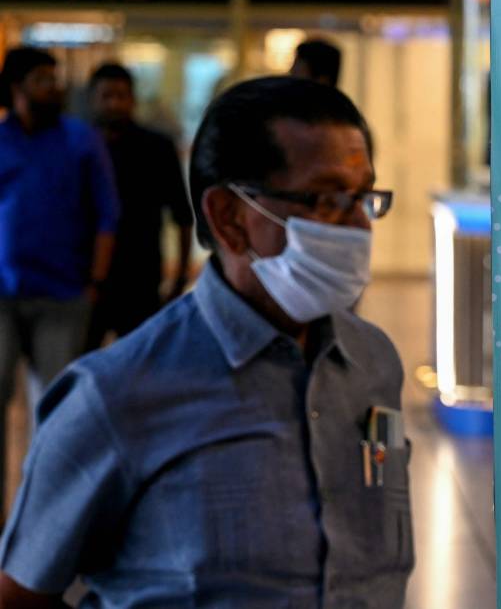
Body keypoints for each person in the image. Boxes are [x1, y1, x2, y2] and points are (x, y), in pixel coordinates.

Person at [0, 77, 412, 607]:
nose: (359, 225)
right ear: (230, 218)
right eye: (327, 199)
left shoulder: (373, 364)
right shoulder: (115, 396)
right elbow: (20, 595)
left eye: (363, 197)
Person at [0, 47, 118, 504]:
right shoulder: (3, 138)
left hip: (64, 294)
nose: (55, 88)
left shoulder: (81, 139)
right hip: (4, 293)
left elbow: (108, 214)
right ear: (17, 87)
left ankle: (43, 511)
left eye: (55, 79)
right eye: (42, 80)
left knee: (54, 408)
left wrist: (95, 282)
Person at [85, 63, 193, 348]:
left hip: (140, 276)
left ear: (132, 99)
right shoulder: (79, 147)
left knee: (140, 366)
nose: (114, 104)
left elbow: (182, 214)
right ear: (92, 99)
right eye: (106, 96)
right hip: (86, 276)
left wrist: (181, 274)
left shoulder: (156, 148)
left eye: (121, 96)